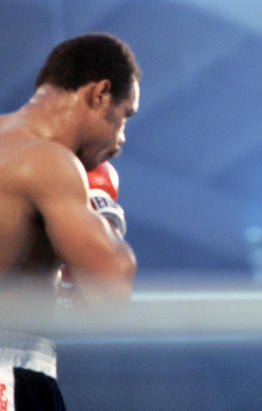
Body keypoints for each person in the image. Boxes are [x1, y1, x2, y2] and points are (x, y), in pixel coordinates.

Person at [0, 33, 140, 410]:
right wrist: (102, 209)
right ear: (99, 93)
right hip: (9, 374)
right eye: (124, 116)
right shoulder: (48, 163)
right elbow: (112, 289)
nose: (120, 139)